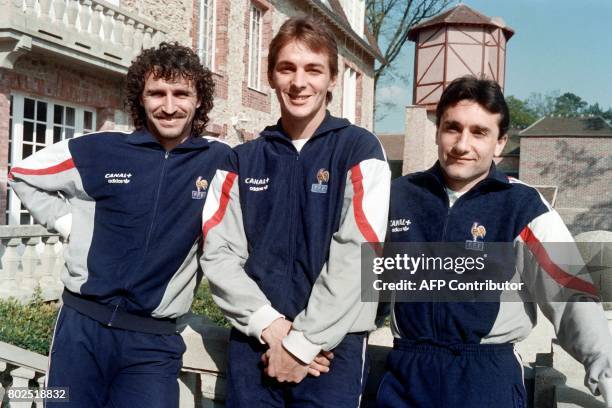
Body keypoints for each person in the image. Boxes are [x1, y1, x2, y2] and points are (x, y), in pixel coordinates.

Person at [9, 42, 231, 408]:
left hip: (153, 344)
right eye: (157, 93)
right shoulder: (98, 150)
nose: (169, 105)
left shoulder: (220, 161)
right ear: (140, 99)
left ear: (198, 100)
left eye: (181, 93)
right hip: (80, 330)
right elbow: (21, 173)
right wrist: (67, 224)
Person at [377, 75, 612, 407]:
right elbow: (360, 284)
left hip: (486, 377)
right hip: (407, 376)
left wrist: (606, 375)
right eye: (452, 128)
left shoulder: (523, 207)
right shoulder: (398, 197)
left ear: (500, 143)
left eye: (479, 132)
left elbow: (570, 294)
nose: (462, 145)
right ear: (437, 131)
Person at [200, 17, 390, 407]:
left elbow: (359, 253)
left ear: (332, 79)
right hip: (255, 341)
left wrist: (303, 343)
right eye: (287, 68)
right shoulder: (241, 160)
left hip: (332, 349)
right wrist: (270, 326)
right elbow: (218, 255)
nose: (299, 82)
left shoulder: (360, 150)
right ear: (271, 76)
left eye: (313, 69)